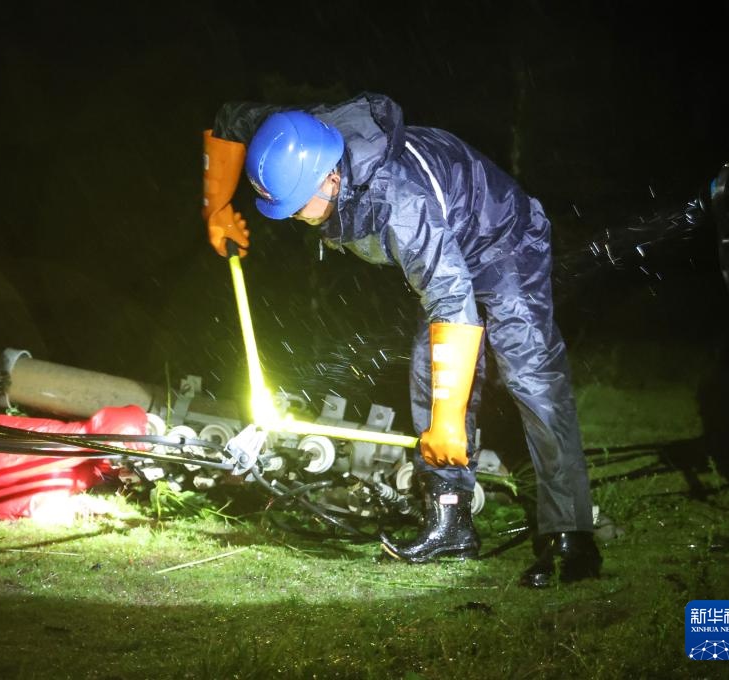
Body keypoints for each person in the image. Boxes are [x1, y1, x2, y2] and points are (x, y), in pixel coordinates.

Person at [202, 92, 601, 587]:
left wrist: (449, 425)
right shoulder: (289, 136)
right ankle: (451, 522)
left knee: (530, 374)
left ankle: (573, 537)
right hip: (445, 242)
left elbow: (453, 302)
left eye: (300, 207)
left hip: (503, 241)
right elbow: (228, 121)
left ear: (332, 176)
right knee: (427, 375)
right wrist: (217, 207)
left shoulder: (400, 204)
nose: (296, 218)